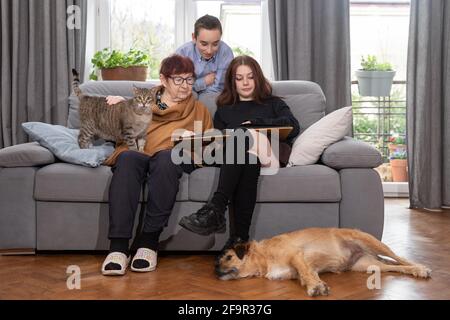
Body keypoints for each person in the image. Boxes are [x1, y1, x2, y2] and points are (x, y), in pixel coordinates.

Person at [101, 54, 213, 276]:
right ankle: (118, 247)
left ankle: (148, 243)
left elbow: (209, 147)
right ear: (163, 79)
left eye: (190, 79)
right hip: (138, 152)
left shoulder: (199, 109)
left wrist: (193, 140)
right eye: (178, 80)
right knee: (128, 158)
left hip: (172, 156)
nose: (185, 86)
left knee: (166, 158)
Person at [179, 55, 301, 252]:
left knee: (242, 135)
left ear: (258, 78)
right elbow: (220, 145)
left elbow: (293, 127)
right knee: (245, 156)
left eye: (250, 77)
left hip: (271, 156)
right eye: (239, 78)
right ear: (232, 81)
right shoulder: (225, 110)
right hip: (245, 158)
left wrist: (254, 125)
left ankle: (216, 208)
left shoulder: (273, 103)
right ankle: (239, 240)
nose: (245, 82)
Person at [176, 14, 234, 95]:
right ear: (194, 38)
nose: (209, 51)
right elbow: (178, 86)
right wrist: (204, 82)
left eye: (215, 44)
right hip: (186, 93)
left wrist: (193, 85)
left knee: (210, 102)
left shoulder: (225, 52)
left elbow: (218, 87)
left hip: (213, 94)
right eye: (204, 44)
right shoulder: (182, 53)